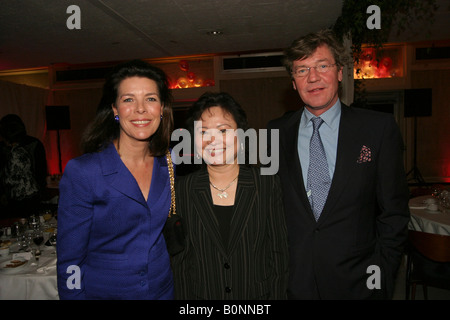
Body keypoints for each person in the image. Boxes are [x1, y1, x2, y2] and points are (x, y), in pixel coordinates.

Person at [267, 29, 410, 299]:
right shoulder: (274, 133)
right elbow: (269, 208)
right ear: (293, 82)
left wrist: (381, 273)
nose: (313, 77)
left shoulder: (377, 129)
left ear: (340, 72)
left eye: (322, 66)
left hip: (359, 284)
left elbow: (394, 213)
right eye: (301, 70)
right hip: (294, 281)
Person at [57, 60, 175, 299]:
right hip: (106, 293)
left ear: (162, 108)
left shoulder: (167, 164)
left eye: (151, 99)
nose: (141, 109)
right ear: (114, 109)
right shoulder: (84, 171)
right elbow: (70, 259)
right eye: (128, 99)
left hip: (161, 289)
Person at [171, 92, 289, 299]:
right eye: (203, 132)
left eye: (223, 130)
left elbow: (279, 256)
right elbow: (180, 264)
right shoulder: (183, 190)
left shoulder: (266, 184)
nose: (213, 140)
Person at [0, 114, 48, 218]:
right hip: (30, 194)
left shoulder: (20, 150)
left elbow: (10, 179)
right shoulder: (24, 147)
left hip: (23, 197)